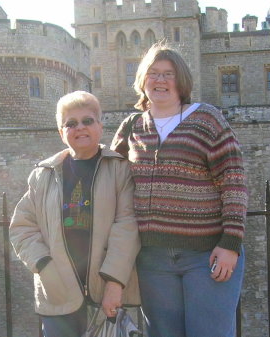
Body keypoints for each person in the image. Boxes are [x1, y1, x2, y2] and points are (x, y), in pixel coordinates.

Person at [111, 42, 248, 337]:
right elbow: (110, 177)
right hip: (152, 259)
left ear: (181, 80)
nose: (160, 80)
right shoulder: (132, 127)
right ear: (143, 80)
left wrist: (230, 243)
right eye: (153, 73)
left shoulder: (206, 119)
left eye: (168, 74)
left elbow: (233, 180)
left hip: (207, 254)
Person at [10, 91, 140, 337]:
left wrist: (115, 282)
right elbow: (22, 227)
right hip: (57, 292)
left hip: (104, 289)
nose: (80, 128)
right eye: (71, 123)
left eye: (87, 120)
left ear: (100, 126)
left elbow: (127, 226)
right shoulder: (43, 174)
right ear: (61, 132)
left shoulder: (119, 169)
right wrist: (43, 265)